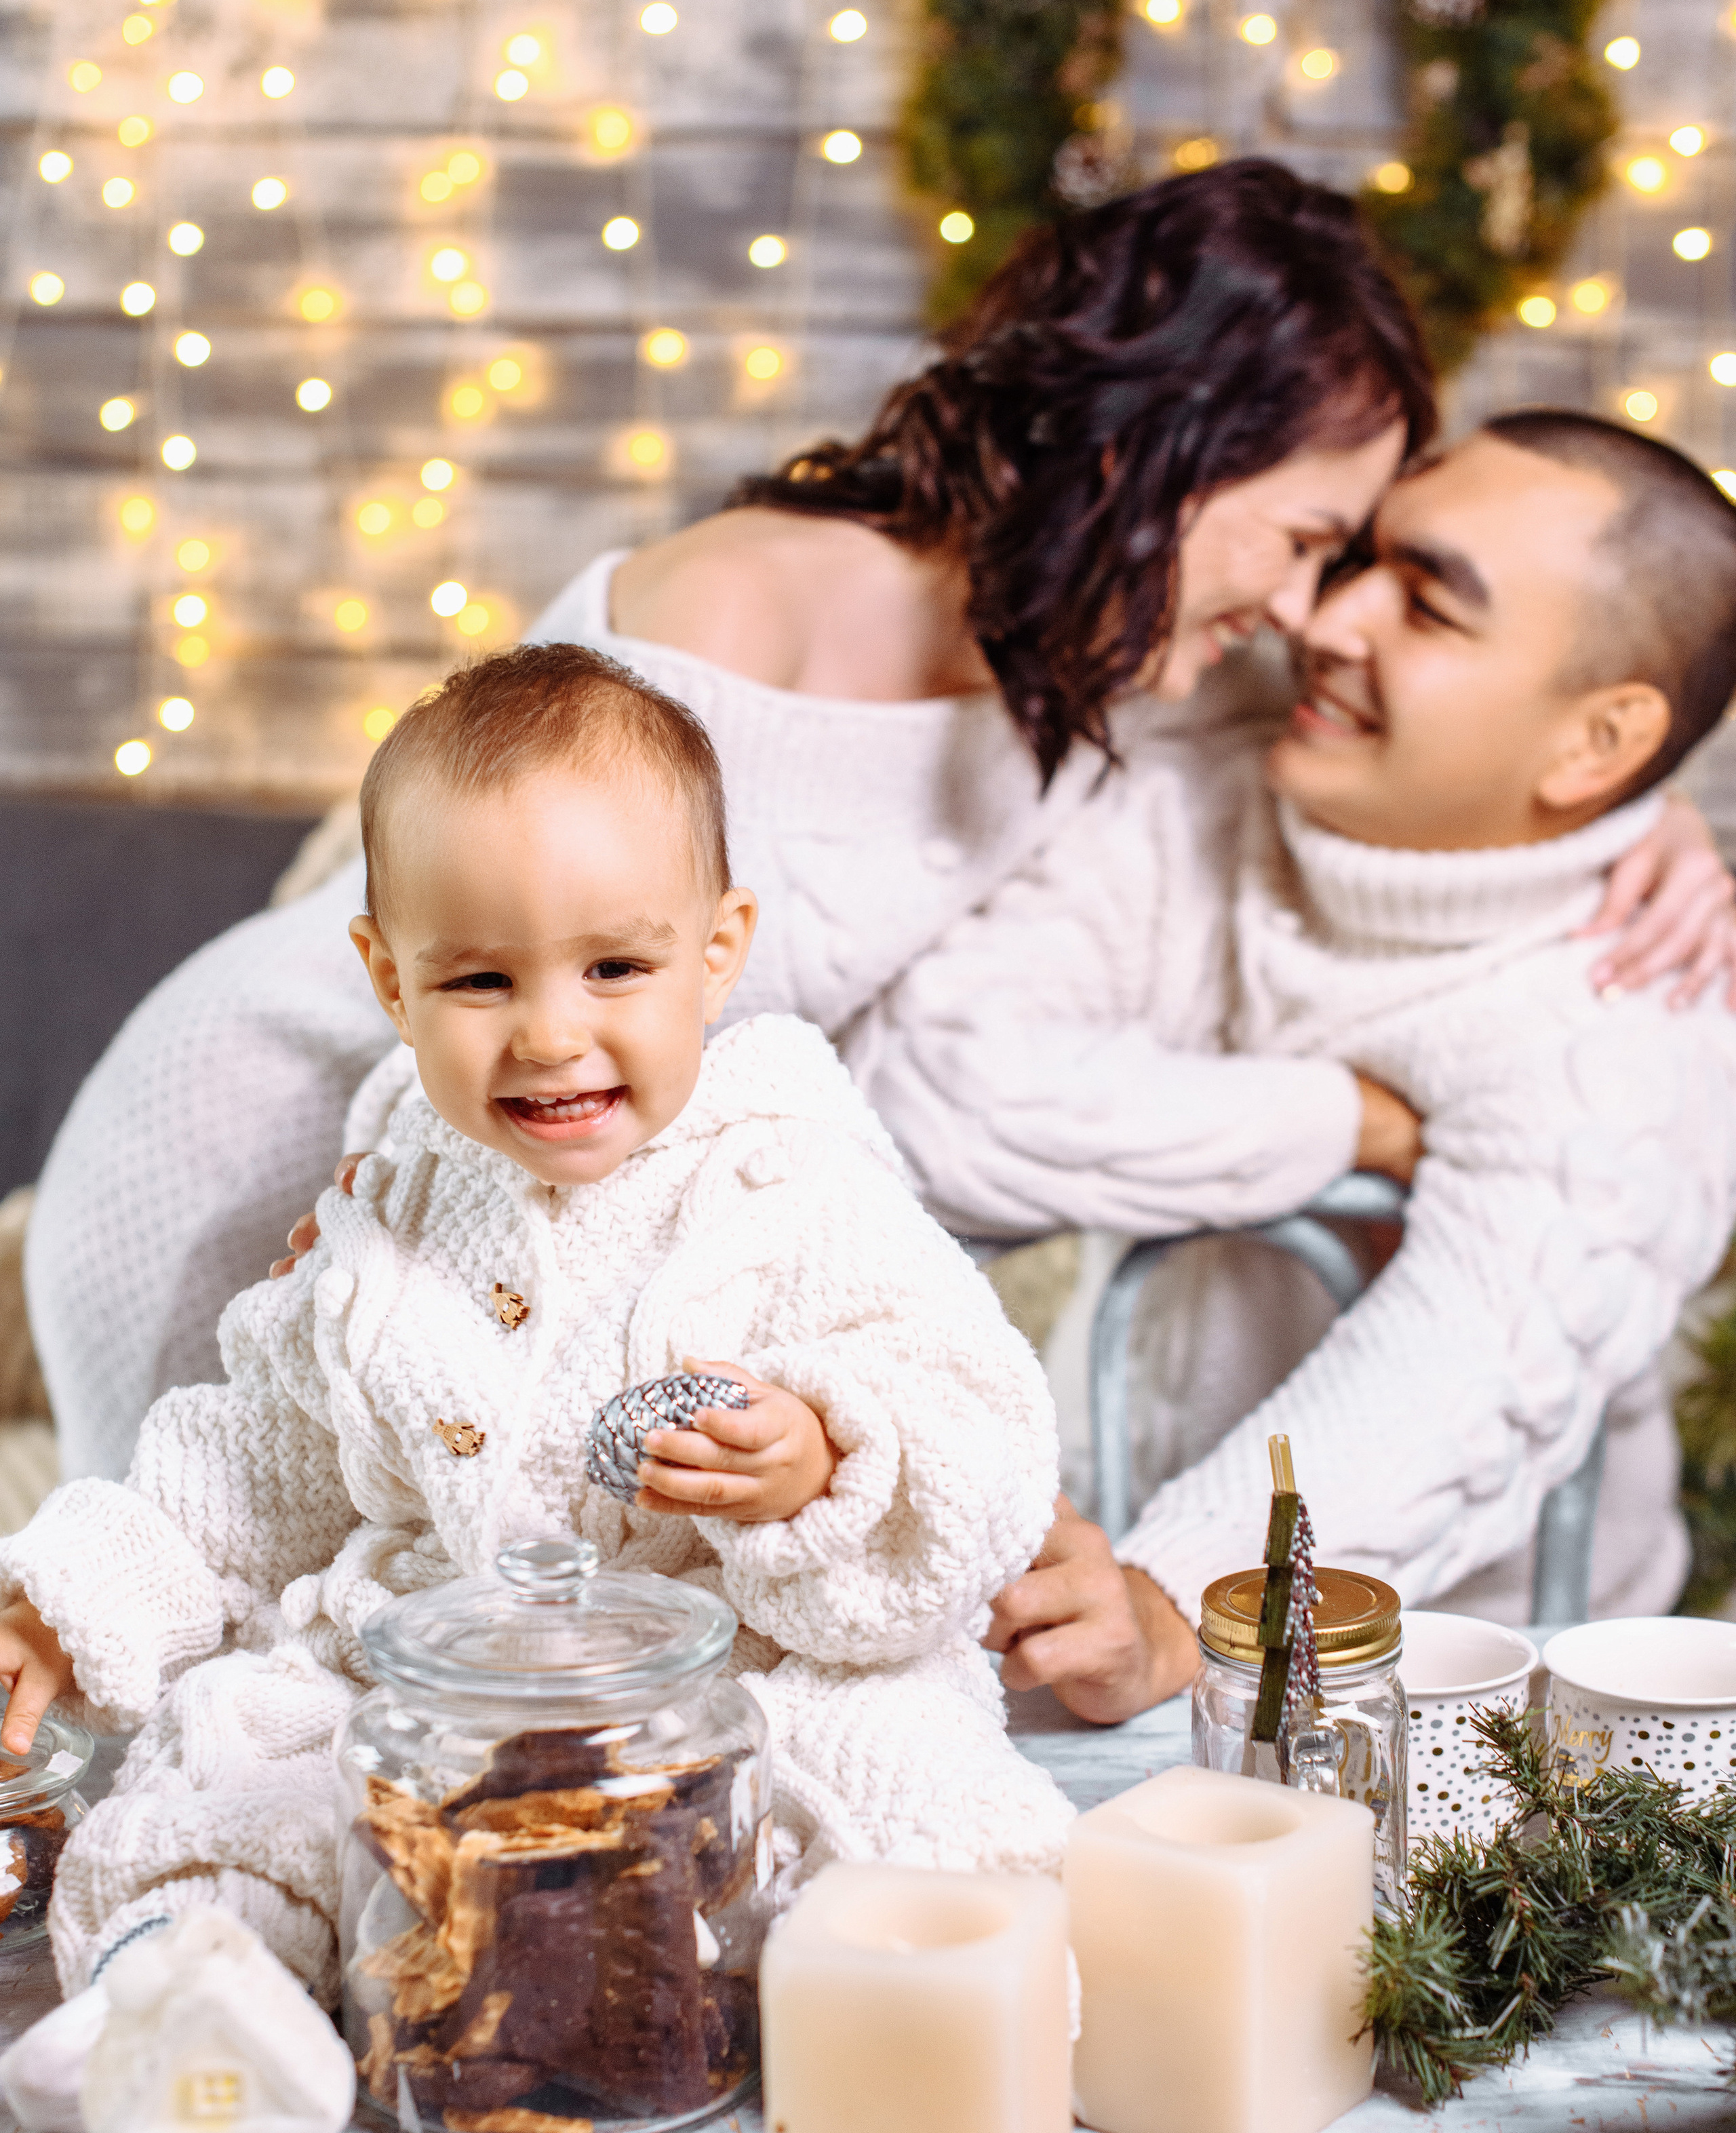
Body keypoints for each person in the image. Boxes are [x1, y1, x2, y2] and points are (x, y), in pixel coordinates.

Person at [27, 162, 1731, 1491]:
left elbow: (1464, 764)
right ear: (1162, 459)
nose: (1305, 610)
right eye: (1297, 539)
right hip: (287, 1130)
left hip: (495, 1203)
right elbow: (483, 887)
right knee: (199, 1629)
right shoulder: (756, 604)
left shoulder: (1111, 675)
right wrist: (374, 1178)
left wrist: (1638, 830)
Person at [0, 644, 1071, 2130]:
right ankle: (182, 2005)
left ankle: (915, 2025)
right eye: (482, 978)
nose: (552, 1031)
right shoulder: (390, 1209)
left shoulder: (792, 1174)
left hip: (742, 1676)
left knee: (897, 1784)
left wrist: (825, 1458)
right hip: (420, 1678)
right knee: (231, 1771)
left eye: (615, 967)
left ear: (718, 947)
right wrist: (62, 1599)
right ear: (389, 977)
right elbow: (255, 1458)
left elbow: (978, 1411)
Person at [871, 412, 1736, 1714]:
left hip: (1488, 1694)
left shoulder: (1629, 1011)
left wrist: (1181, 1602)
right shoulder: (1222, 760)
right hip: (1121, 1566)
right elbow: (930, 1092)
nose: (1327, 621)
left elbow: (1451, 1377)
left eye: (1432, 608)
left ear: (1596, 747)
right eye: (1360, 558)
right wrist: (1347, 1122)